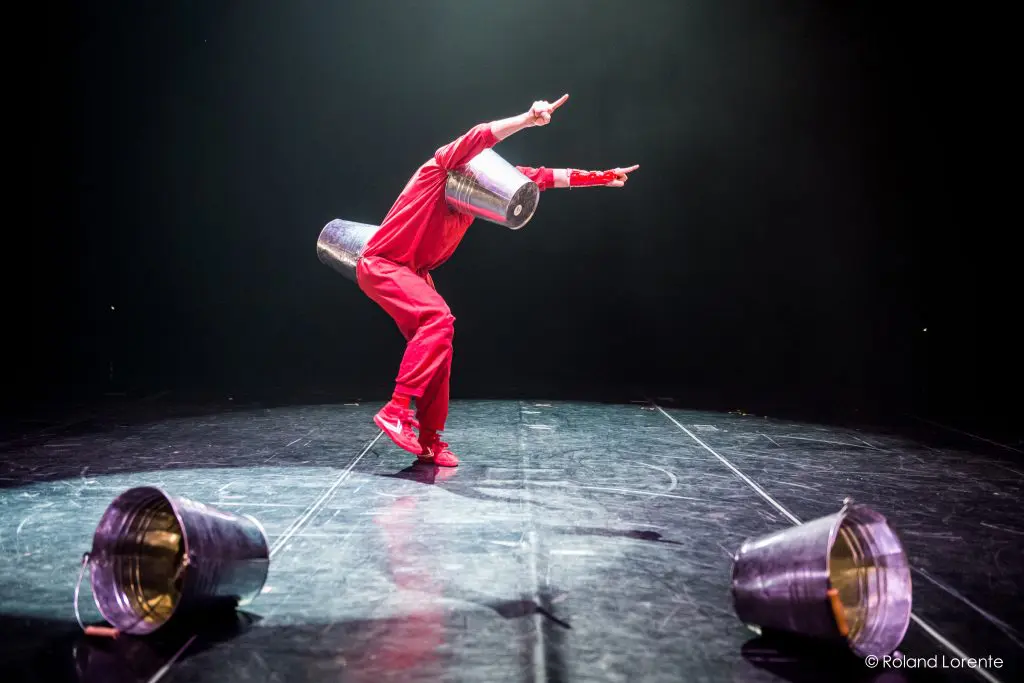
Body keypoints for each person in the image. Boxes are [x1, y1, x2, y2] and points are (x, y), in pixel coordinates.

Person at [358, 94, 639, 467]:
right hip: (383, 263)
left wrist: (601, 178)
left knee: (439, 345)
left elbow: (541, 177)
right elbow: (481, 135)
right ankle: (395, 410)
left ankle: (429, 439)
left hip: (413, 274)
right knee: (438, 320)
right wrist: (527, 118)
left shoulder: (477, 194)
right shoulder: (441, 168)